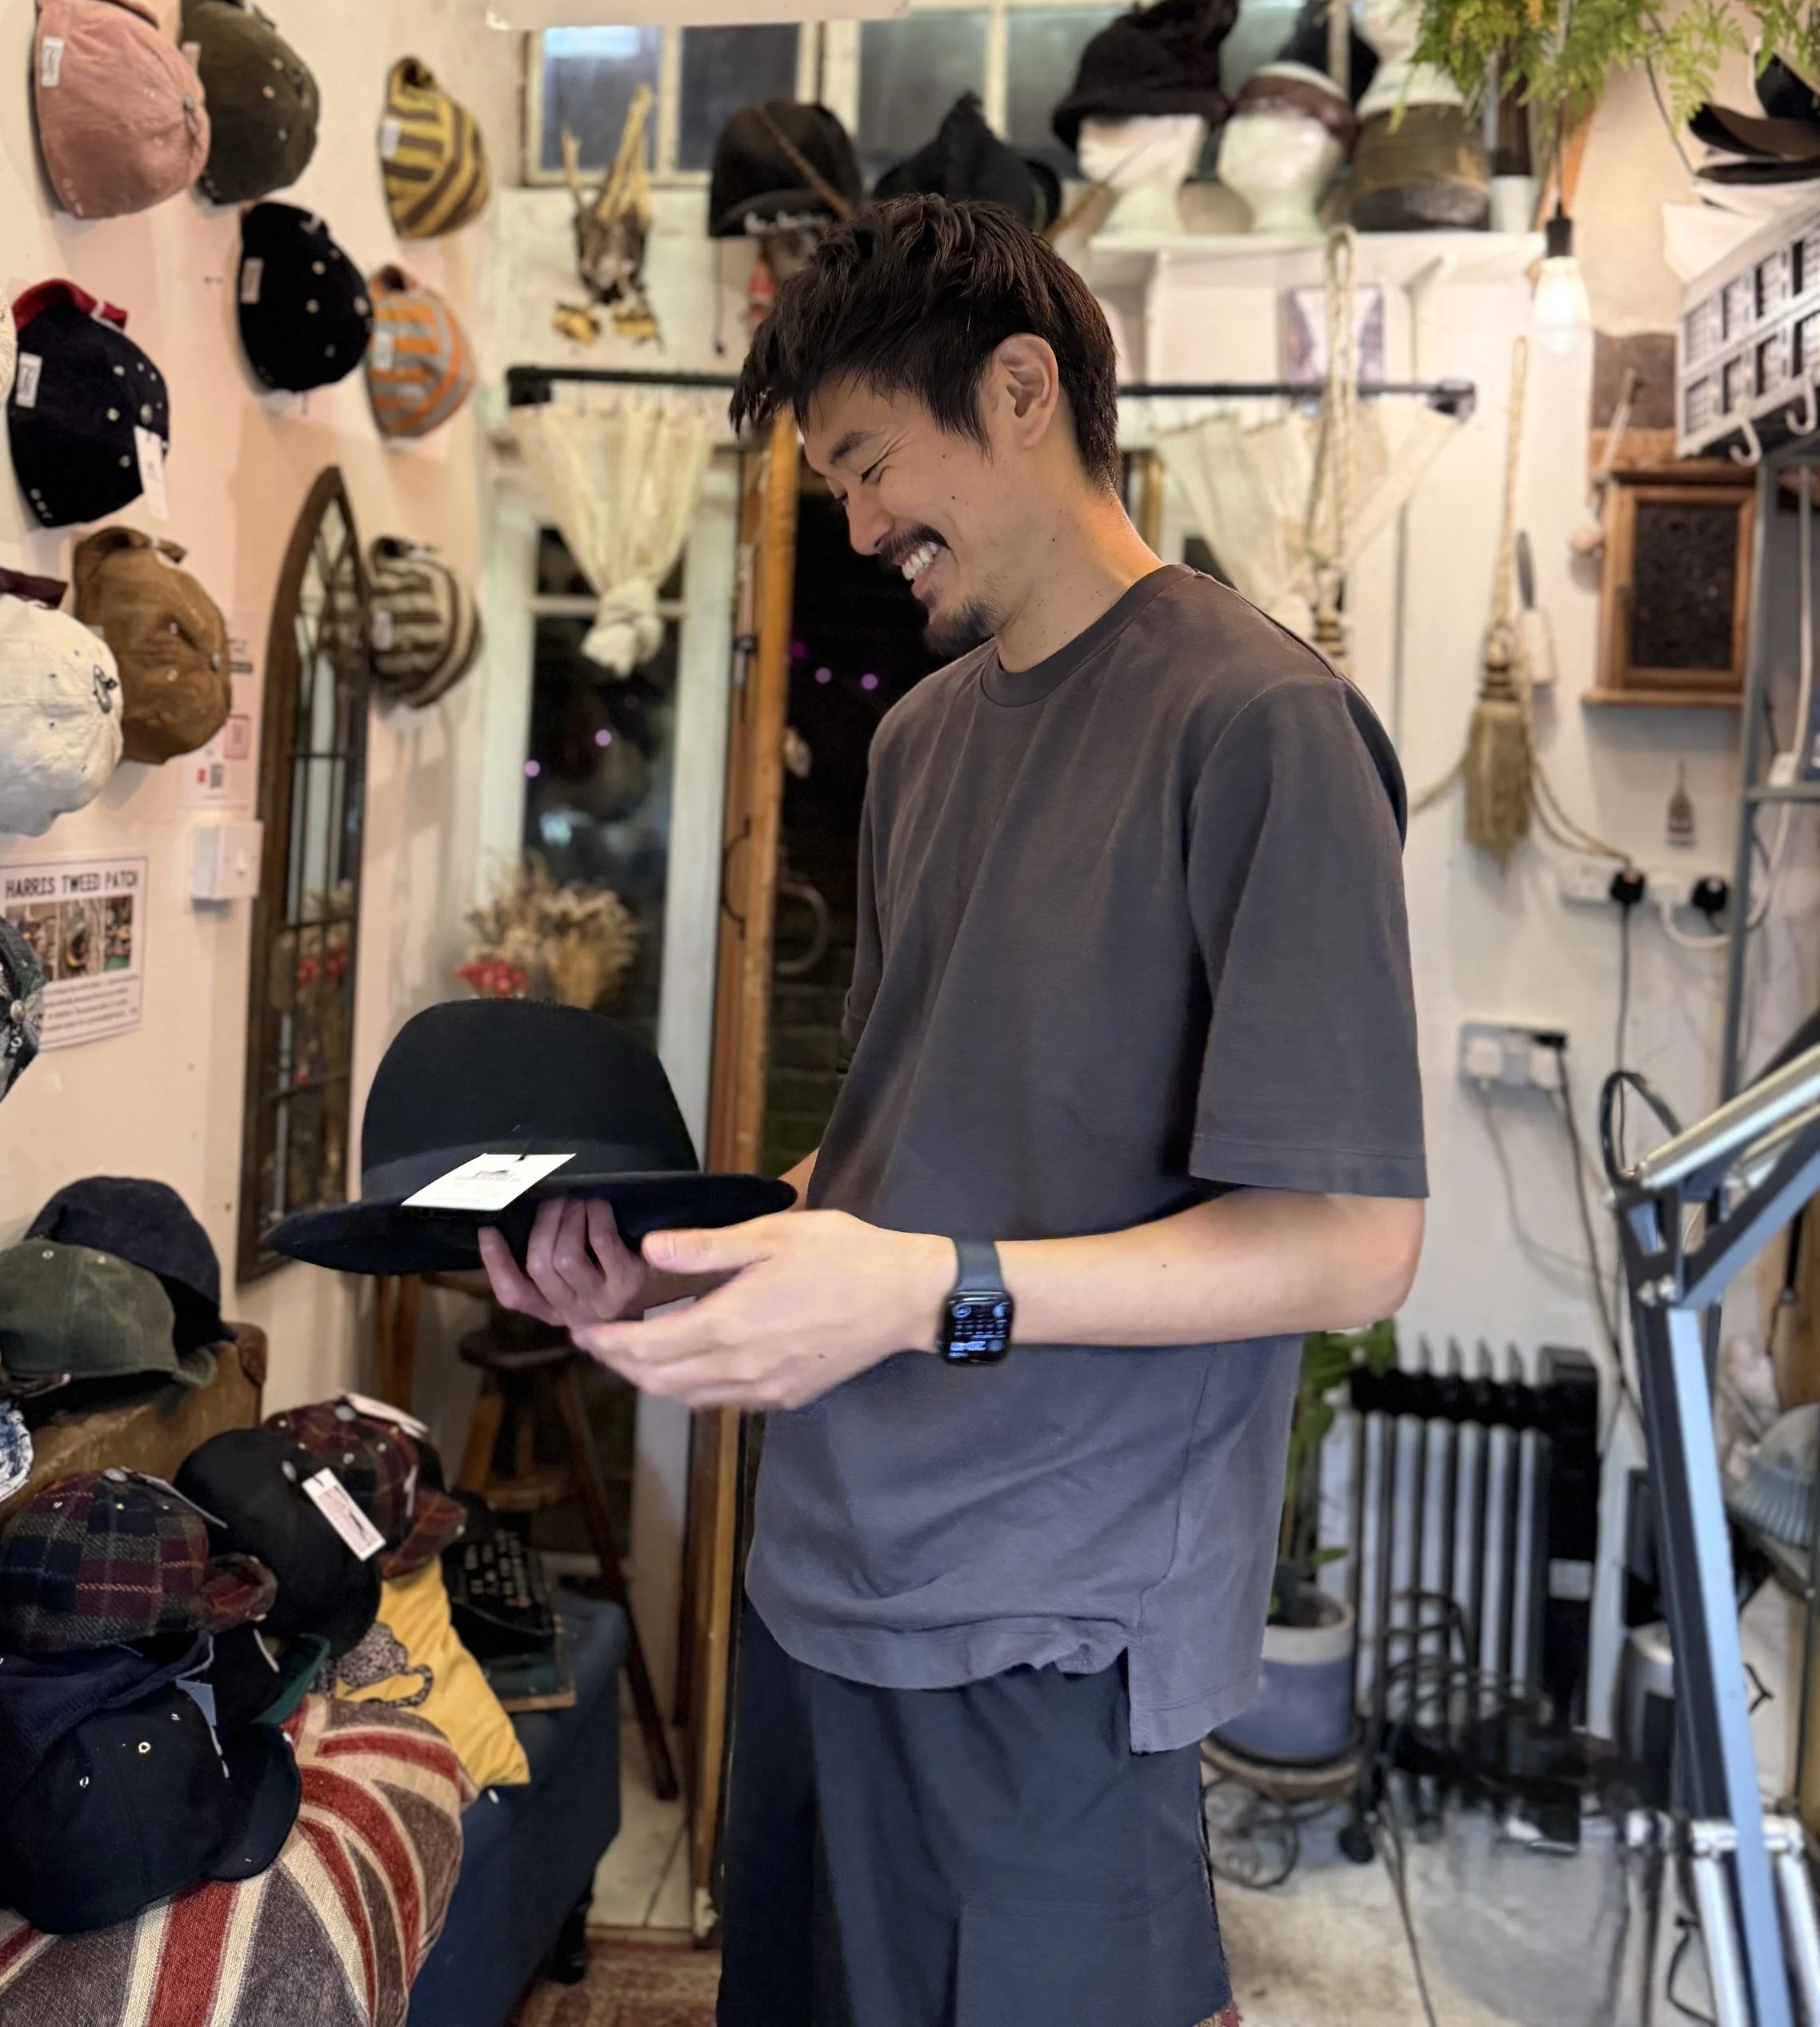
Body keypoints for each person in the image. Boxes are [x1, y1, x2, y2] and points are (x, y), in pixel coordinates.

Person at [478, 193, 1426, 2027]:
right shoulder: (920, 744)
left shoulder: (1258, 727)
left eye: (866, 465)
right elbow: (898, 1152)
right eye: (831, 481)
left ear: (1017, 388)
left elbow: (1348, 1245)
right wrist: (681, 1279)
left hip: (1045, 1621)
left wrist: (931, 1292)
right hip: (819, 1573)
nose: (854, 526)